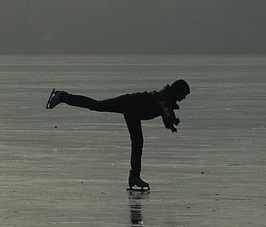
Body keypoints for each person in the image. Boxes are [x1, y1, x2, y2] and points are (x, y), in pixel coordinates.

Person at [45, 80, 190, 190]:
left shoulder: (166, 98)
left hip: (134, 113)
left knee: (138, 142)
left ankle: (134, 177)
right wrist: (171, 119)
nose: (184, 98)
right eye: (184, 95)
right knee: (97, 105)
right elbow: (164, 108)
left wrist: (170, 123)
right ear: (178, 91)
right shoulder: (163, 96)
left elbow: (165, 111)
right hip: (128, 104)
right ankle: (63, 96)